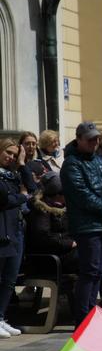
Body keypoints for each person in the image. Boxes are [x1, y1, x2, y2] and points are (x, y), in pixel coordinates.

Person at [61, 122, 102, 326]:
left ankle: (92, 313)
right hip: (86, 226)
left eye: (96, 139)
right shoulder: (71, 163)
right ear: (78, 139)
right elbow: (81, 195)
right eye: (90, 139)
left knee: (98, 271)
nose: (95, 142)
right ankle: (83, 317)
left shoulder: (98, 161)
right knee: (90, 270)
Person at [0, 139, 28, 338]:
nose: (10, 157)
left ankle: (1, 317)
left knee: (10, 279)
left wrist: (23, 163)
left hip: (16, 230)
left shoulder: (13, 175)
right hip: (3, 231)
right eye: (7, 153)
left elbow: (32, 187)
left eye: (14, 154)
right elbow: (4, 200)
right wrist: (22, 197)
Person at [25, 171, 79, 275]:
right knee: (92, 257)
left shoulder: (62, 208)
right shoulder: (41, 210)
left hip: (62, 253)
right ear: (56, 194)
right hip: (48, 259)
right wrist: (69, 243)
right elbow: (42, 237)